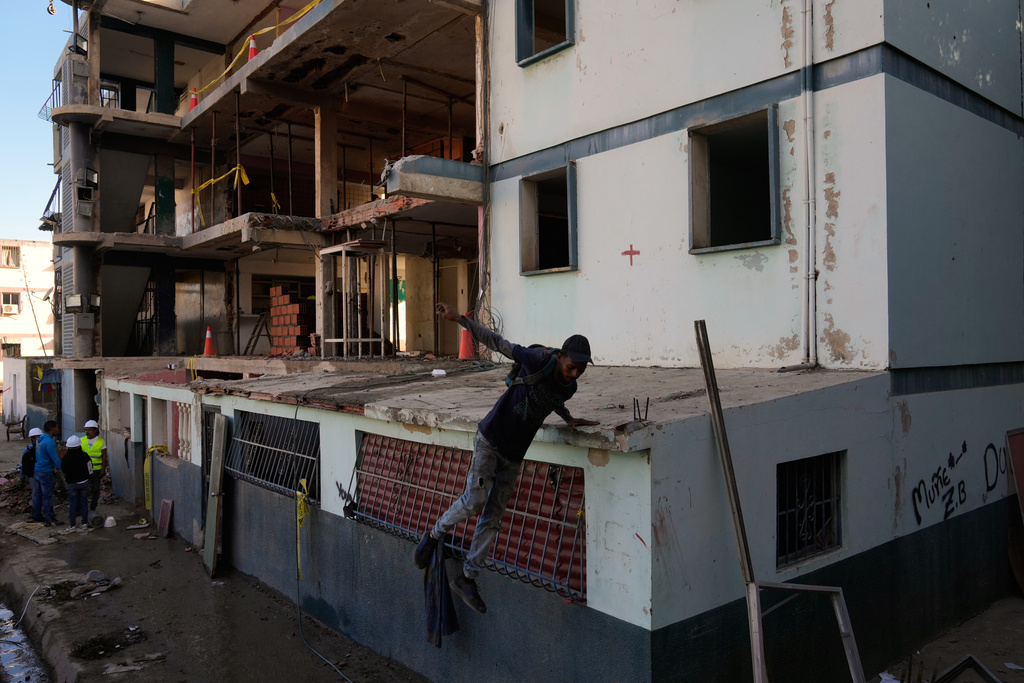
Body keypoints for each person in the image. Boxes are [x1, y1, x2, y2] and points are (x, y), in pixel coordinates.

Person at [413, 302, 599, 614]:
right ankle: (434, 534)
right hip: (491, 439)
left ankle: (468, 577)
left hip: (514, 454)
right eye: (571, 366)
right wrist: (459, 319)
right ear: (562, 357)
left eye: (581, 368)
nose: (575, 372)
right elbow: (497, 342)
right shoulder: (538, 359)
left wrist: (568, 418)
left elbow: (552, 399)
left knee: (494, 517)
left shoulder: (570, 388)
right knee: (475, 501)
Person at [33, 420, 64, 527]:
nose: (58, 429)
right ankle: (49, 518)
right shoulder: (50, 442)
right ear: (52, 429)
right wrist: (63, 470)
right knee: (47, 496)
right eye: (57, 428)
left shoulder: (39, 440)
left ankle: (37, 515)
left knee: (39, 494)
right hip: (46, 471)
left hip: (38, 470)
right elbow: (55, 458)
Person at [61, 435, 92, 530]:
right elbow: (90, 469)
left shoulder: (66, 458)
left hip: (72, 484)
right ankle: (84, 523)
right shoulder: (85, 456)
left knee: (73, 504)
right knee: (84, 503)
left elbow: (64, 470)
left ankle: (72, 525)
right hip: (84, 483)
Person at [82, 419, 108, 511]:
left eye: (89, 430)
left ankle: (93, 507)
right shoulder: (81, 440)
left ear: (95, 430)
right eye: (86, 430)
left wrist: (103, 469)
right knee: (83, 489)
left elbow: (104, 456)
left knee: (95, 489)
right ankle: (82, 507)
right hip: (84, 469)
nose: (87, 432)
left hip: (96, 469)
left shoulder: (101, 441)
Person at [22, 428, 43, 522]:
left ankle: (40, 512)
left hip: (39, 474)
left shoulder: (43, 448)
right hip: (34, 474)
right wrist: (23, 474)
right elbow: (23, 464)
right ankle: (37, 512)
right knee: (37, 493)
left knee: (41, 493)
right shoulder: (28, 450)